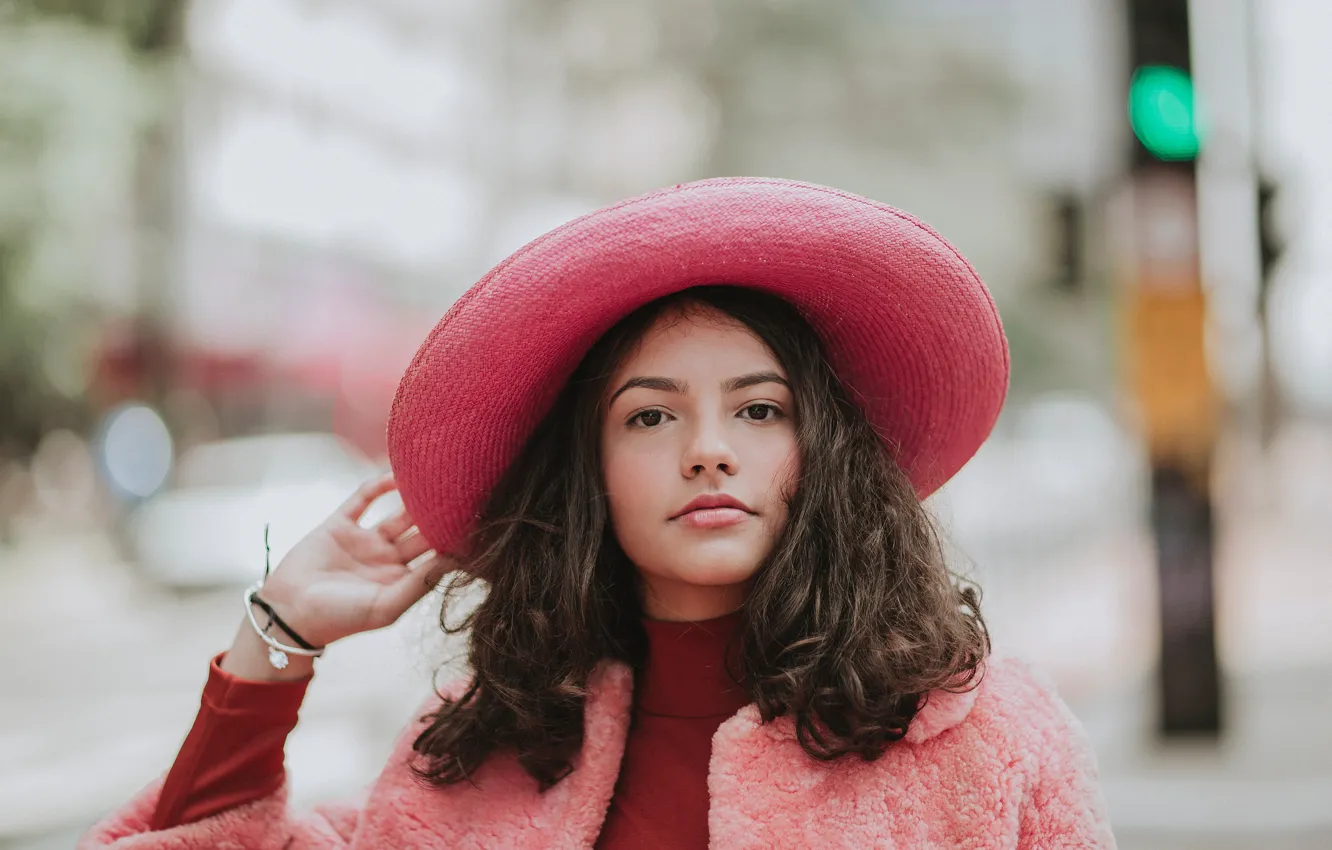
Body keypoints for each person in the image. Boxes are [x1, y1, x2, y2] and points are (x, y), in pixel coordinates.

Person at [80, 178, 1115, 849]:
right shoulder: (472, 766)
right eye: (650, 415)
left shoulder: (985, 738)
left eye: (758, 408)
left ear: (822, 453)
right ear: (591, 472)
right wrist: (277, 638)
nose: (708, 447)